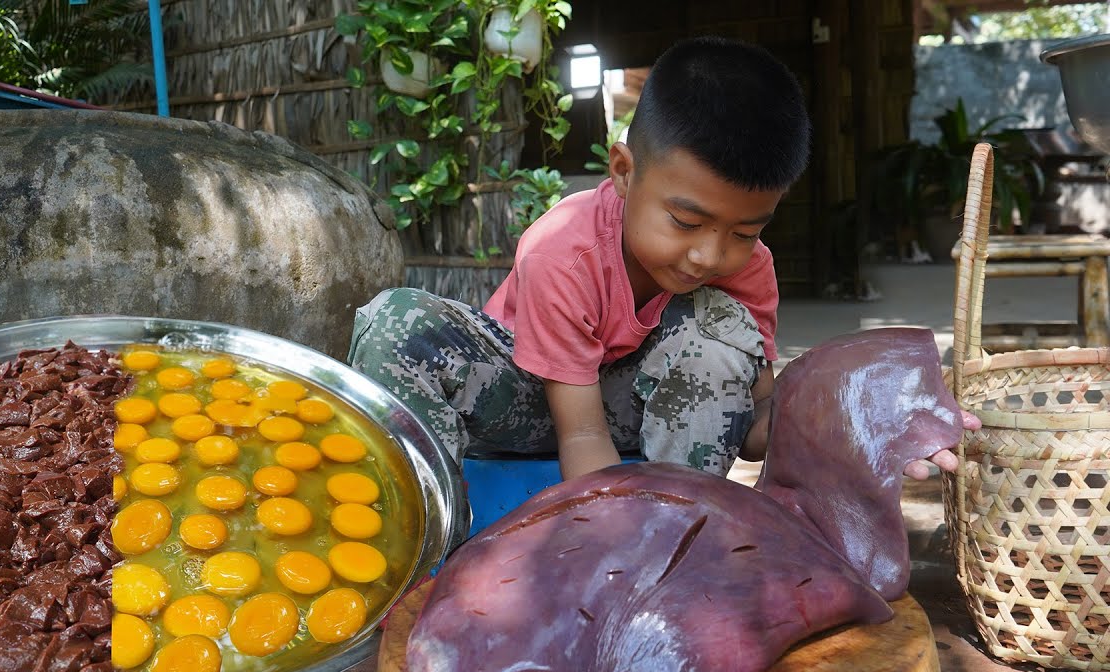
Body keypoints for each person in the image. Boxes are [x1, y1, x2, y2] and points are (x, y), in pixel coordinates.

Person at [349, 36, 973, 483]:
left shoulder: (748, 270)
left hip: (637, 419)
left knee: (719, 334)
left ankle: (683, 523)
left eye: (744, 230)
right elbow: (582, 436)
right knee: (397, 320)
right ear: (623, 172)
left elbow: (756, 421)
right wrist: (607, 539)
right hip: (522, 403)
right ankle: (428, 534)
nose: (709, 254)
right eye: (686, 221)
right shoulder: (562, 250)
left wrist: (850, 422)